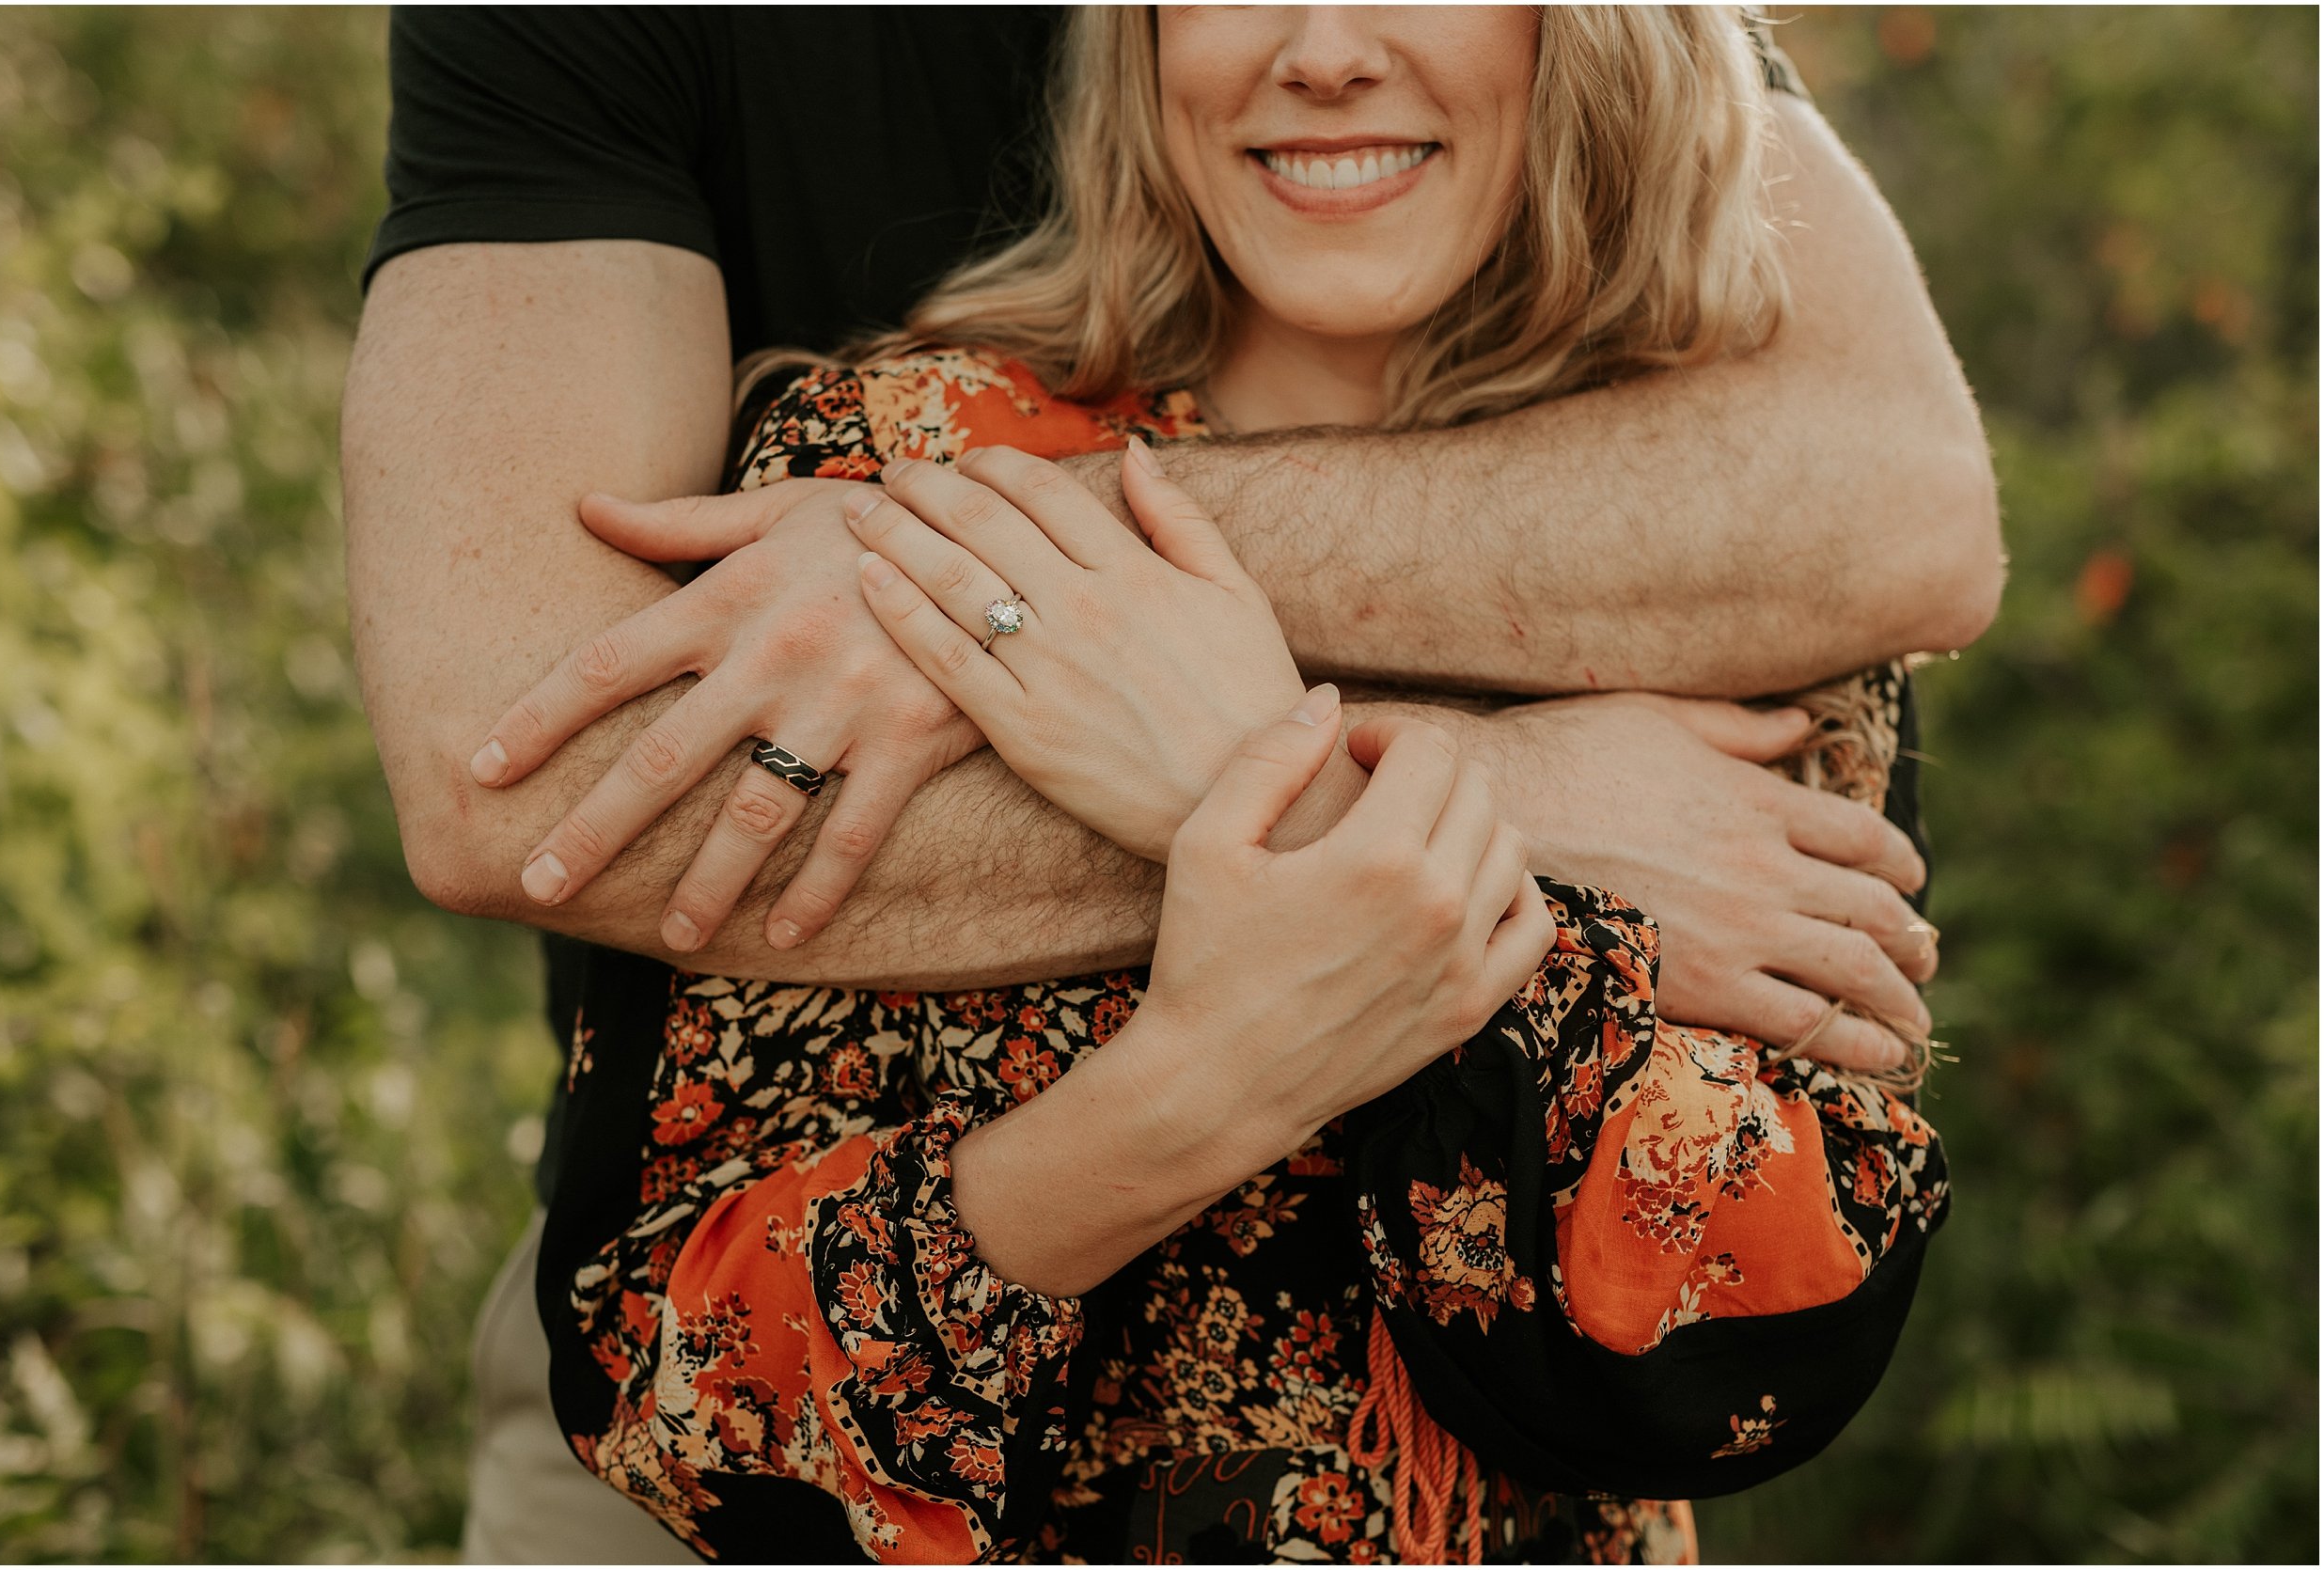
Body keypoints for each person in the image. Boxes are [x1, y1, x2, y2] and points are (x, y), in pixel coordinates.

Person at [342, 7, 2000, 1563]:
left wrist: (1254, 779)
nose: (1325, 51)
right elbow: (696, 1399)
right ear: (1130, 37)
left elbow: (1748, 1344)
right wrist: (1299, 918)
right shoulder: (875, 501)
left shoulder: (1726, 566)